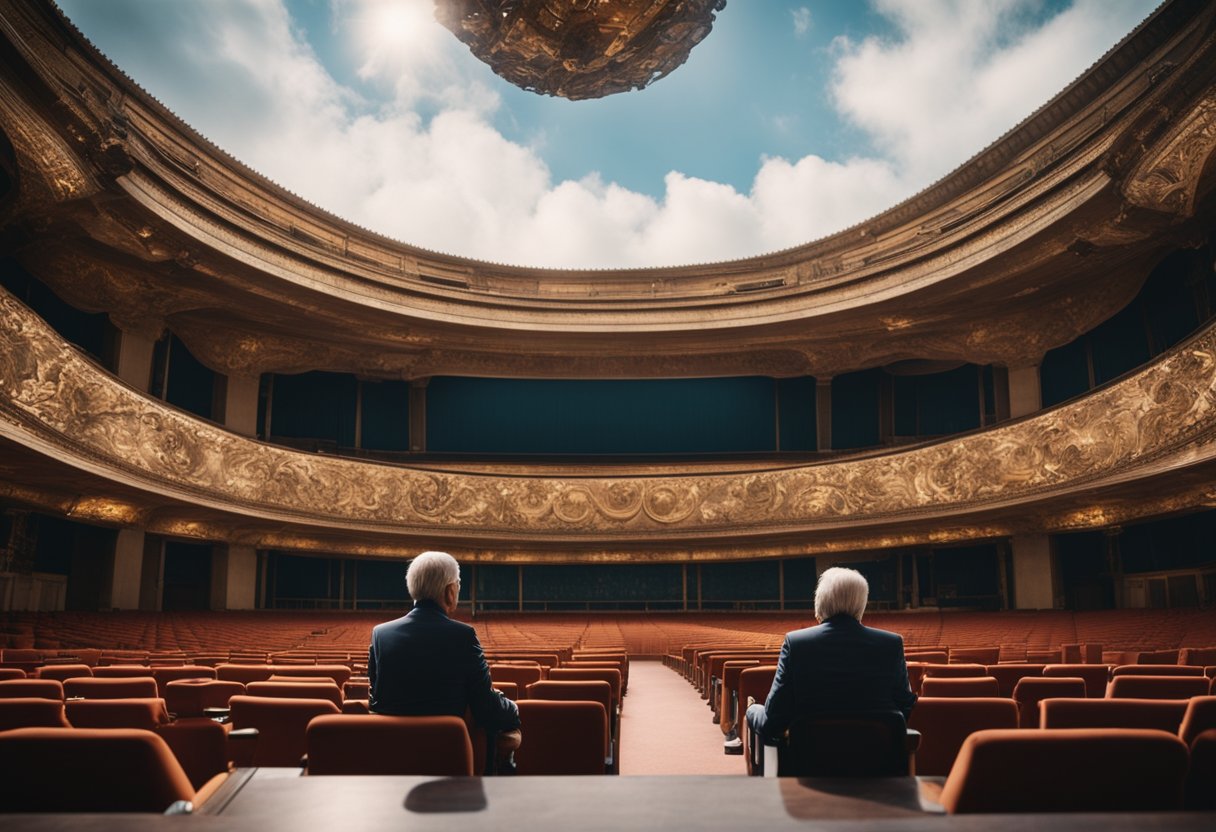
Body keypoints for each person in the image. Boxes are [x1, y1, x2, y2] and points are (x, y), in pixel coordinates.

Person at [368, 551, 521, 769]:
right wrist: (512, 708)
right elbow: (486, 709)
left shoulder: (380, 634)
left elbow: (376, 702)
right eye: (458, 585)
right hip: (448, 760)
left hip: (393, 761)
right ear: (450, 591)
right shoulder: (464, 635)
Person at [745, 566, 916, 746]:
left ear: (821, 602)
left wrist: (752, 710)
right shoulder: (891, 644)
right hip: (879, 763)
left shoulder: (796, 643)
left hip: (809, 765)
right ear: (861, 604)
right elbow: (905, 707)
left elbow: (774, 719)